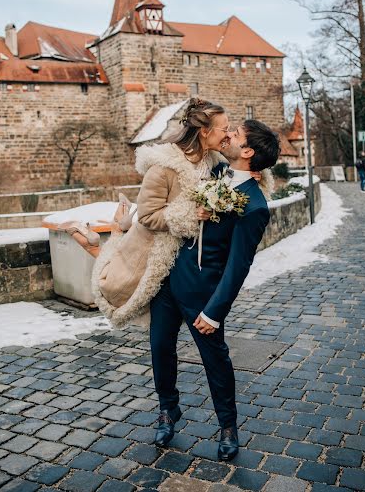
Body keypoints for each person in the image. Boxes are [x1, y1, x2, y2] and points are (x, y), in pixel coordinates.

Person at [149, 119, 280, 461]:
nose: (228, 135)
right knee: (160, 346)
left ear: (247, 152)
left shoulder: (254, 206)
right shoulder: (215, 173)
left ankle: (228, 426)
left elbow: (239, 266)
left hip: (204, 294)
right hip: (171, 279)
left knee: (215, 359)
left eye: (235, 135)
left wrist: (214, 311)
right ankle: (167, 409)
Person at [60, 98, 251, 328]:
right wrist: (191, 216)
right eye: (224, 128)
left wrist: (251, 172)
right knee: (162, 340)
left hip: (187, 265)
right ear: (204, 132)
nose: (228, 134)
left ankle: (102, 237)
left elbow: (236, 171)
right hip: (159, 259)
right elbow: (148, 216)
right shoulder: (164, 166)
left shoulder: (214, 162)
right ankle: (94, 243)